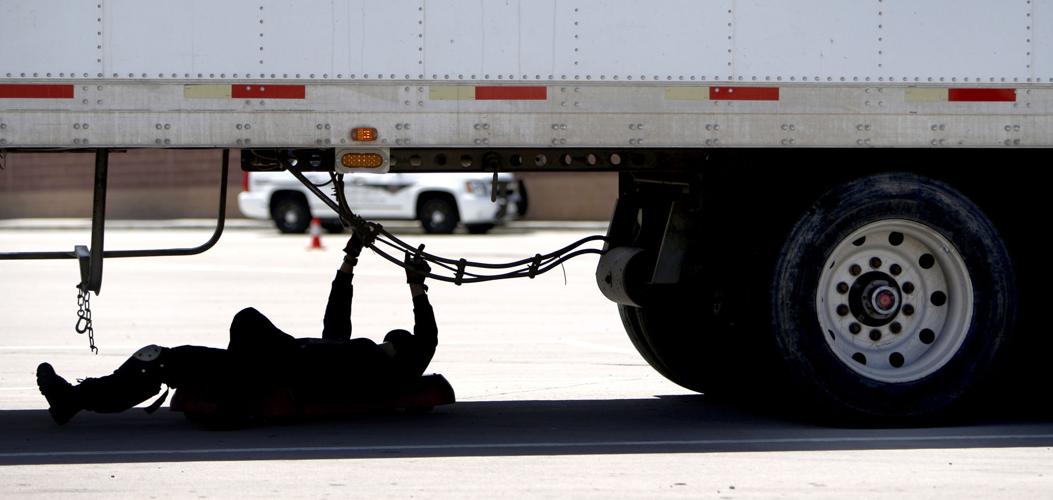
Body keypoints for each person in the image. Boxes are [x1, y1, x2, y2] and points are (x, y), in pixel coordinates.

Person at [35, 231, 437, 425]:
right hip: (261, 364)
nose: (385, 341)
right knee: (156, 359)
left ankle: (75, 399)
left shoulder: (387, 371)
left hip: (278, 370)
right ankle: (75, 399)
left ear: (400, 351)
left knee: (246, 318)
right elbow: (338, 313)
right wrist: (349, 259)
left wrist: (416, 286)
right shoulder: (354, 350)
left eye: (391, 341)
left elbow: (427, 339)